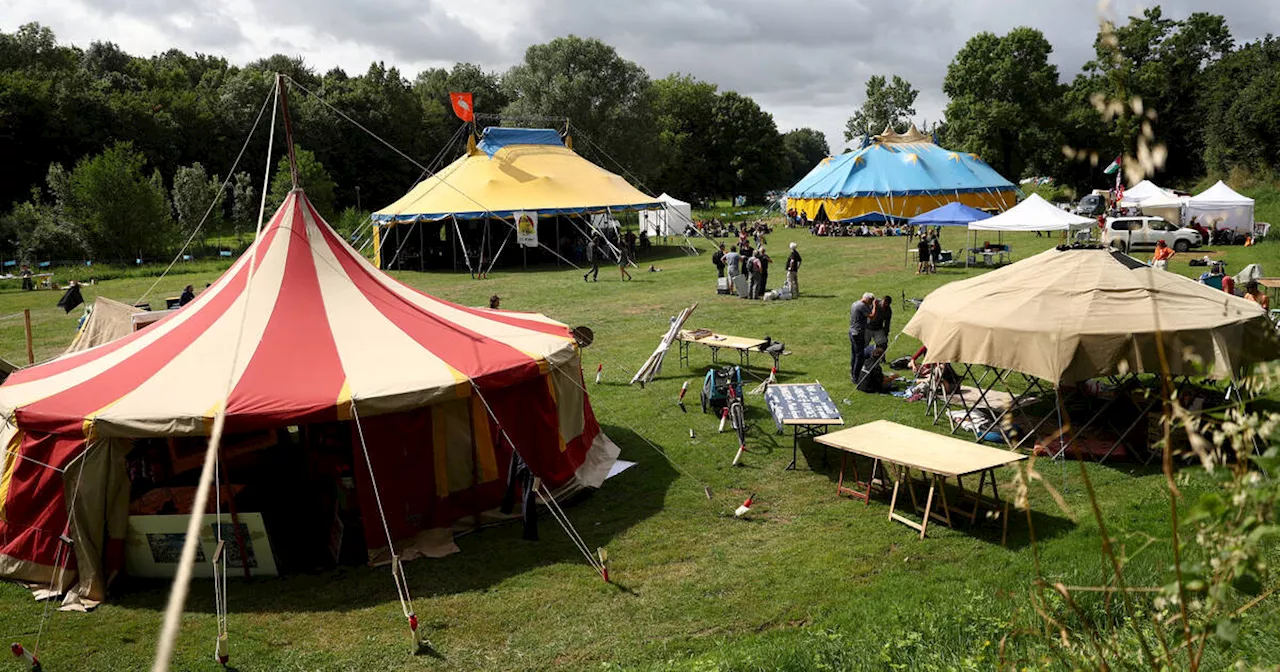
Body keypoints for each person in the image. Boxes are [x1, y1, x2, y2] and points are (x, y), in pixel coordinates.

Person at [849, 292, 877, 384]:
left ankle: (852, 372)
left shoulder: (855, 304)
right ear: (868, 299)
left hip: (852, 331)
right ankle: (856, 377)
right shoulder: (862, 306)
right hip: (858, 332)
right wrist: (875, 306)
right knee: (860, 356)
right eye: (871, 301)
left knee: (854, 354)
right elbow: (872, 316)